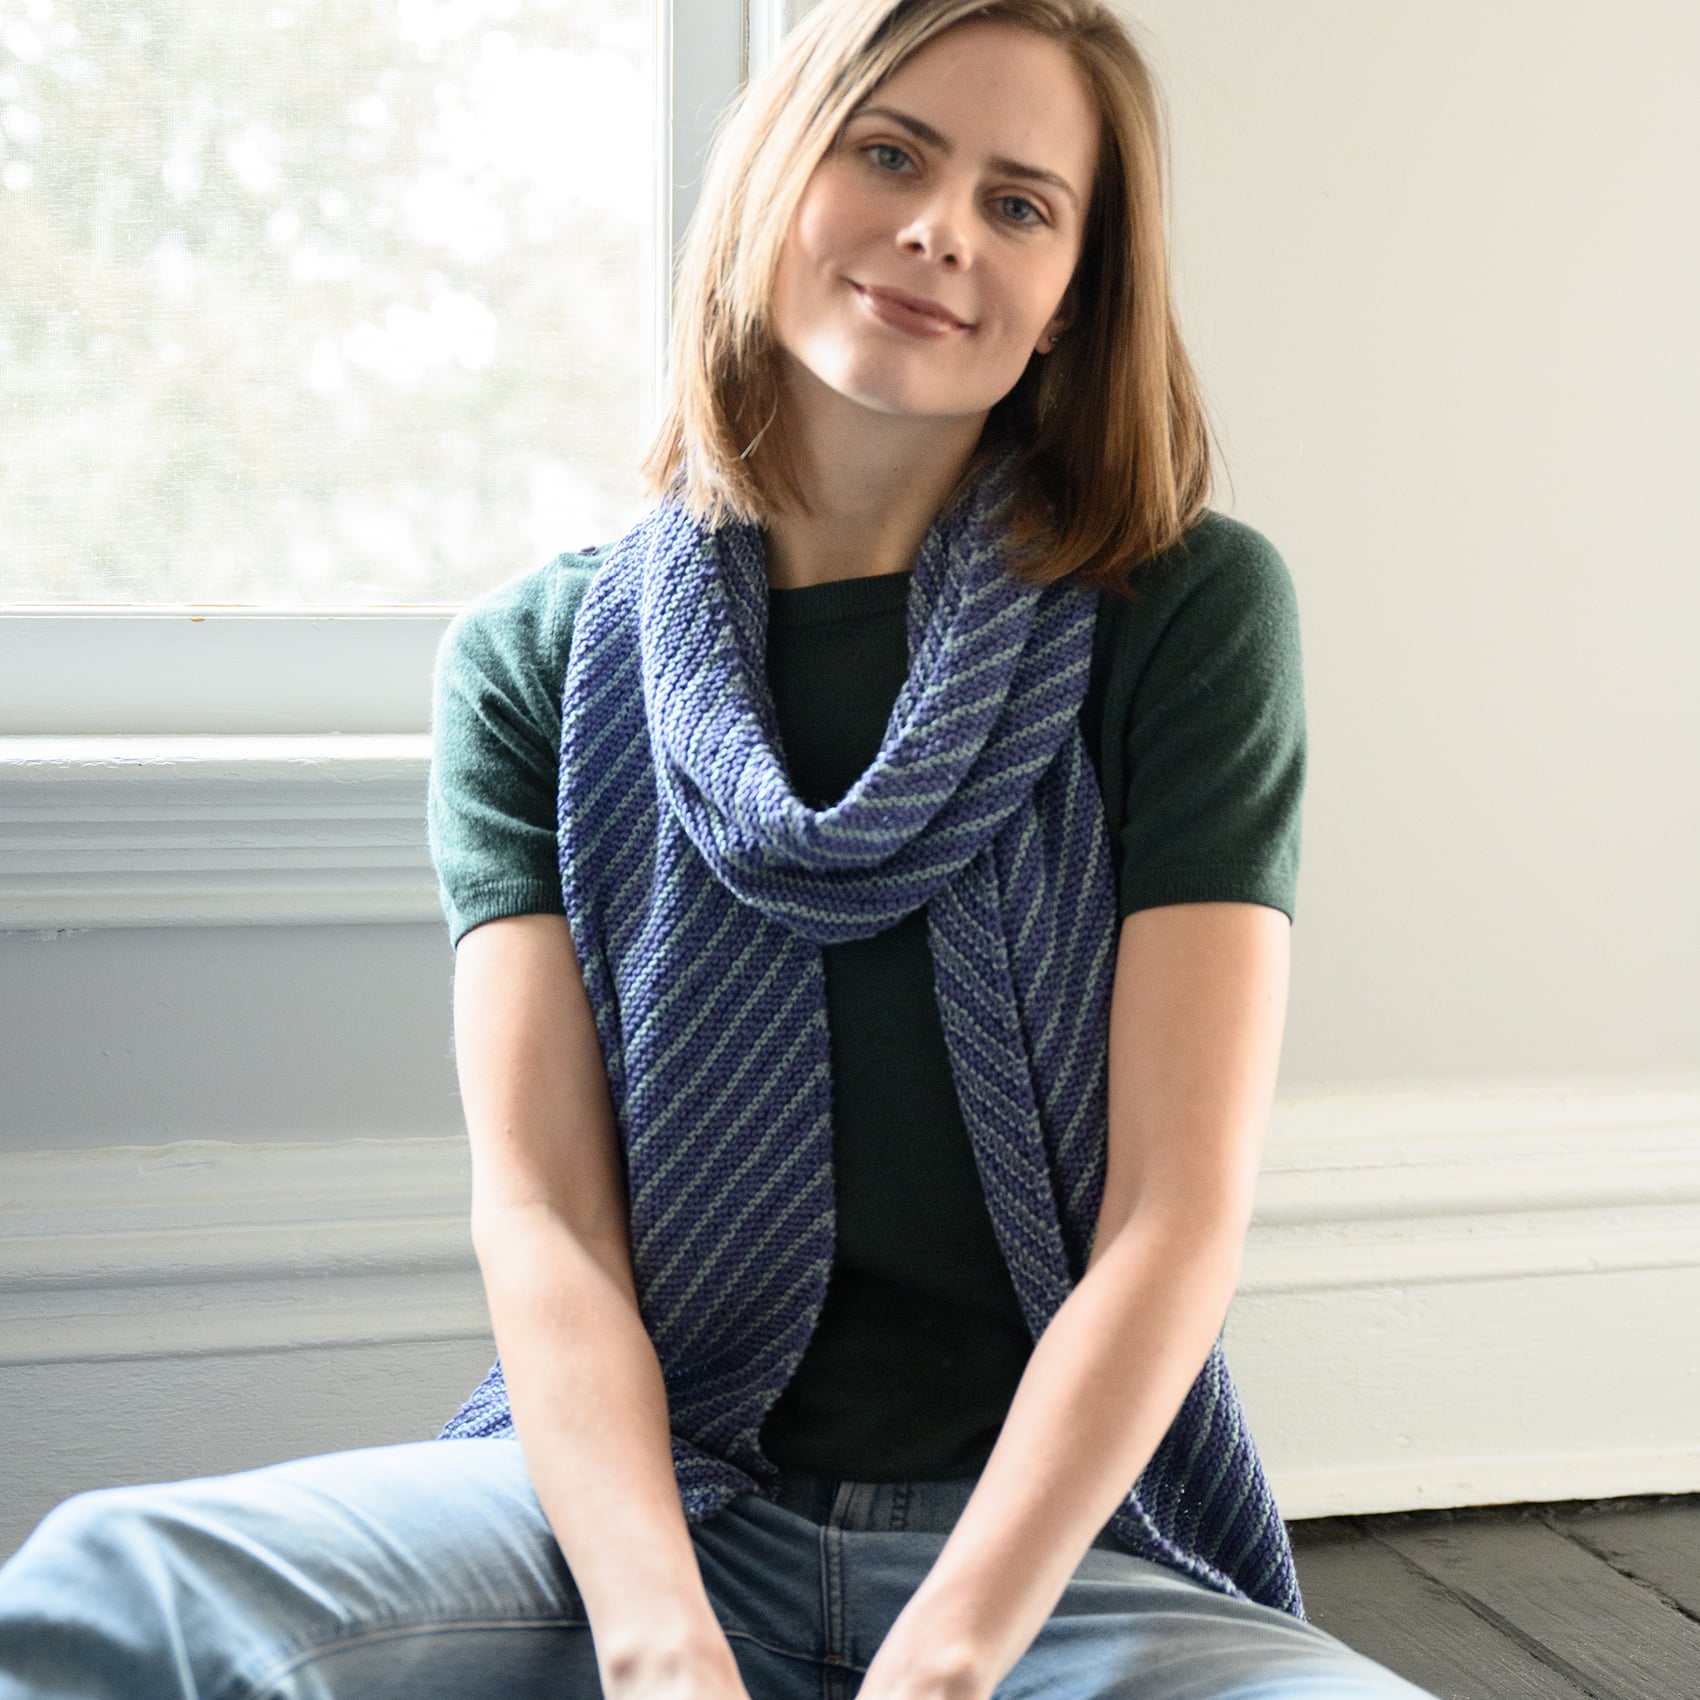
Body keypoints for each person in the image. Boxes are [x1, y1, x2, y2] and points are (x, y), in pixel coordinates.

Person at [0, 1, 1438, 1696]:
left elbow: (1171, 1219)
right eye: (890, 153)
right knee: (117, 1586)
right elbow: (546, 1220)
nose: (942, 230)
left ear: (1071, 297)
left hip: (1053, 1570)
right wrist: (656, 1644)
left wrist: (951, 1657)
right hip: (639, 1528)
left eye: (1019, 203)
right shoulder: (532, 664)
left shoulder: (1185, 615)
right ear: (772, 180)